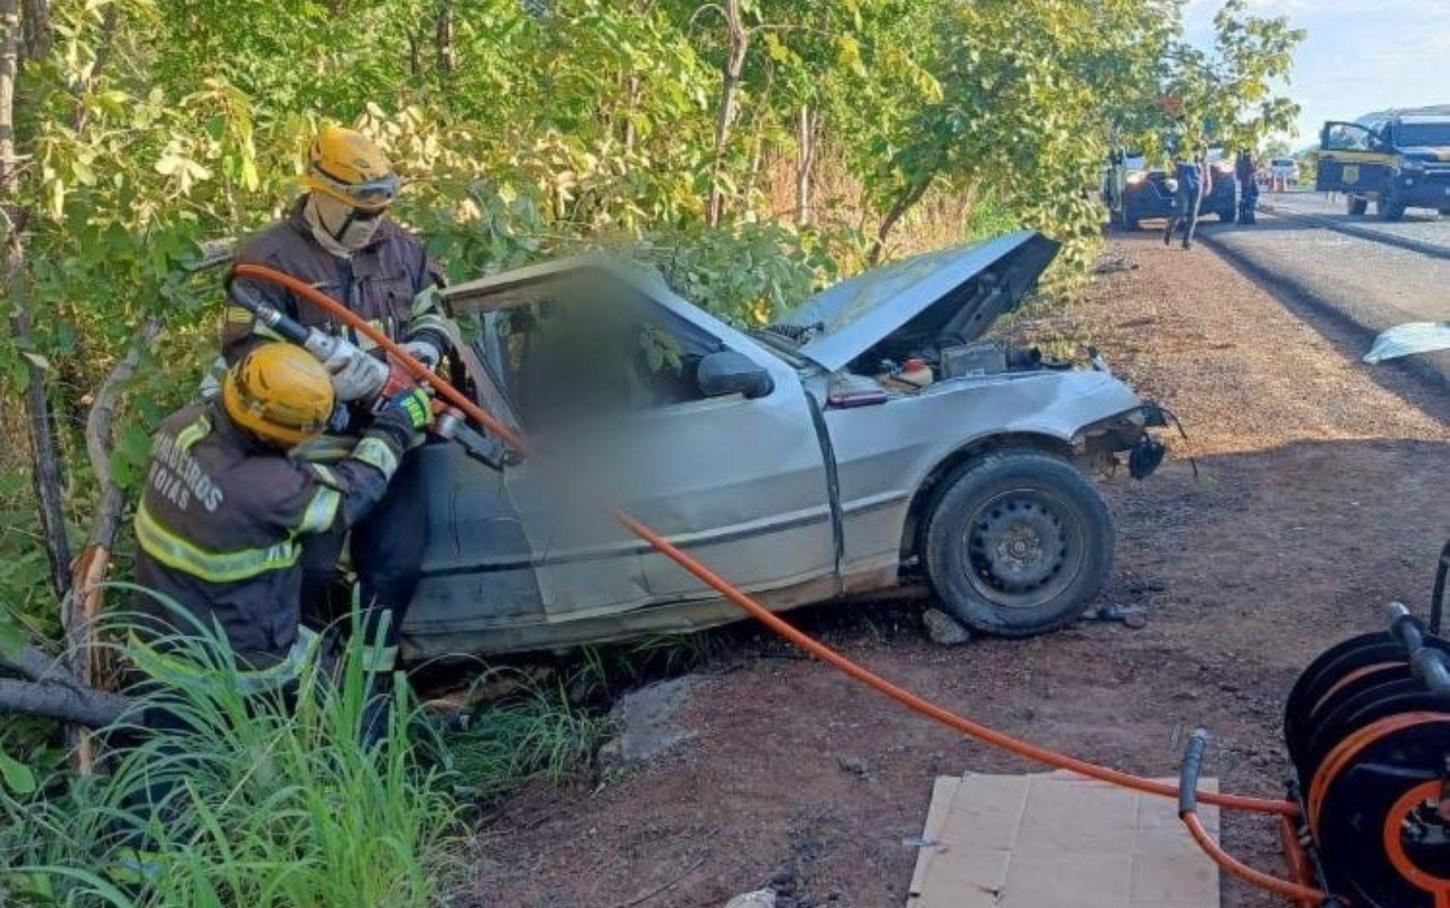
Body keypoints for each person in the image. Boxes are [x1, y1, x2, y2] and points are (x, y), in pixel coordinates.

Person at [218, 125, 457, 683]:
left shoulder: (399, 246)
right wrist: (327, 381)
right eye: (359, 211)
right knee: (312, 575)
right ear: (320, 194)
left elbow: (435, 305)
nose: (372, 223)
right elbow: (245, 354)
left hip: (397, 440)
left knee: (394, 568)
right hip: (310, 449)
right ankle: (306, 691)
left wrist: (424, 346)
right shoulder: (269, 260)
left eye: (380, 211)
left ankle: (372, 694)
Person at [131, 344, 431, 707]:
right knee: (345, 701)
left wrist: (326, 394)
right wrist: (396, 424)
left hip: (156, 646)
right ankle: (369, 743)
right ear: (274, 434)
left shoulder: (181, 427)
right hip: (242, 666)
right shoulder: (265, 487)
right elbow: (351, 494)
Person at [1163, 152, 1210, 250]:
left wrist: (1207, 182)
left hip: (1197, 180)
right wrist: (1170, 176)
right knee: (1182, 210)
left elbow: (1205, 165)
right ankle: (1170, 227)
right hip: (1183, 179)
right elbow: (1170, 162)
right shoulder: (1182, 143)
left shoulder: (1200, 145)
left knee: (1193, 214)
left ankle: (1186, 241)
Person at [1235, 149, 1259, 225]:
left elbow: (1238, 168)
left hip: (1246, 177)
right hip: (1248, 177)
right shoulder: (1247, 156)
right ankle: (1247, 215)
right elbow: (1253, 168)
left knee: (1246, 196)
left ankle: (1244, 216)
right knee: (1251, 195)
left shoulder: (1241, 156)